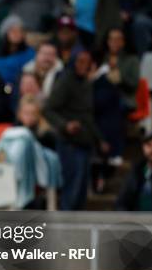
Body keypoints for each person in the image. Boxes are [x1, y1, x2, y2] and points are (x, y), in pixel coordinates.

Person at [43, 50, 108, 210]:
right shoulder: (65, 81)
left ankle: (78, 226)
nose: (83, 65)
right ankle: (67, 226)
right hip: (69, 142)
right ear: (73, 62)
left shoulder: (85, 83)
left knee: (81, 190)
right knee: (71, 188)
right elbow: (49, 109)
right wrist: (65, 125)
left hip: (85, 141)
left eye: (87, 62)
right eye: (80, 61)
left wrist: (100, 139)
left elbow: (87, 115)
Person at [116, 131, 152, 211]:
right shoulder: (137, 170)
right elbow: (122, 200)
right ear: (143, 147)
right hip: (139, 220)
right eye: (149, 145)